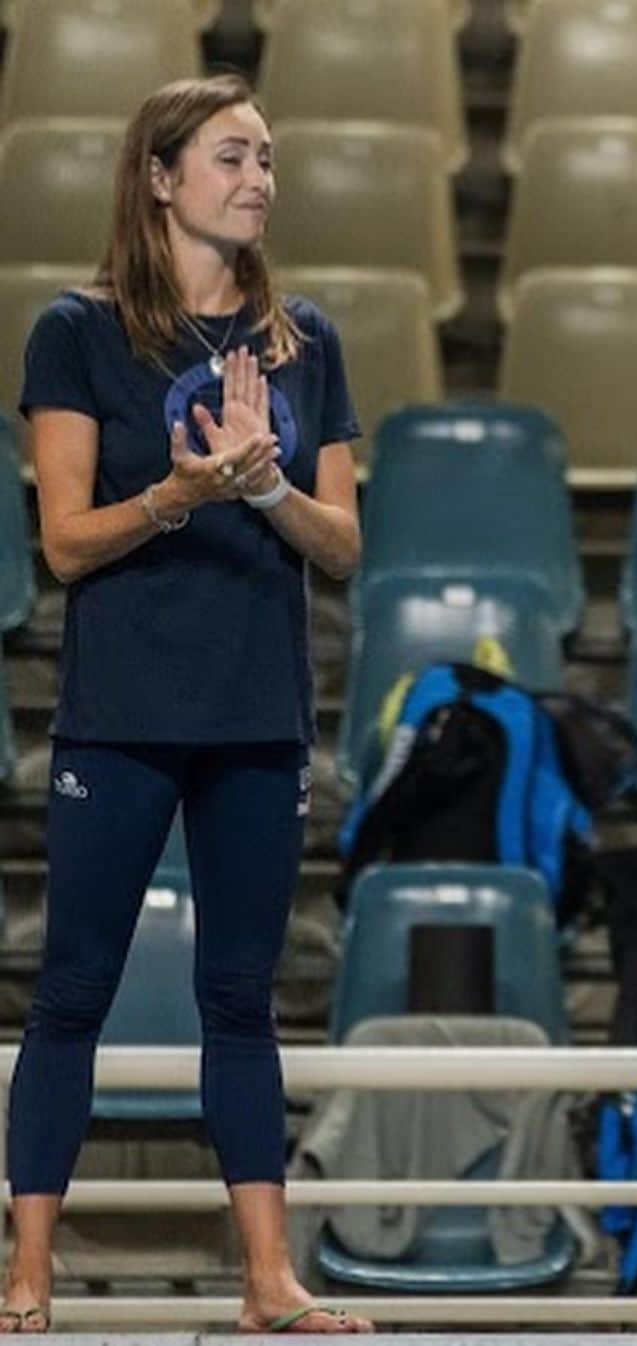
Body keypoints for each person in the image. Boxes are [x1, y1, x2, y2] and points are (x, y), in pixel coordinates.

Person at [2, 75, 373, 1334]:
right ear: (159, 176)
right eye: (231, 155)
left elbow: (343, 546)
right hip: (120, 711)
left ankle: (268, 1278)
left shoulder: (304, 339)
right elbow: (62, 543)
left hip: (258, 714)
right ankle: (29, 1273)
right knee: (72, 992)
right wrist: (178, 494)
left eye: (268, 156)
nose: (259, 177)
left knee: (242, 997)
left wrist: (262, 489)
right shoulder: (74, 331)